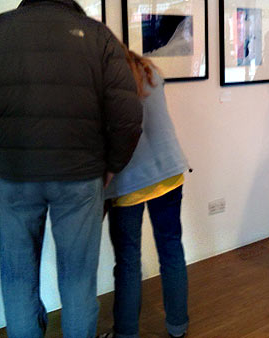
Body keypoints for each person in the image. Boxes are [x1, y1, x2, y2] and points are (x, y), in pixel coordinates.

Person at [0, 0, 143, 337]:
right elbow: (128, 114)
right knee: (78, 280)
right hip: (80, 179)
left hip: (17, 177)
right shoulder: (97, 36)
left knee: (16, 278)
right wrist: (111, 164)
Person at [99, 44, 189, 338]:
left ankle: (125, 333)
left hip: (129, 181)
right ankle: (178, 326)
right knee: (171, 249)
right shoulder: (150, 71)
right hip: (169, 172)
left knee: (127, 260)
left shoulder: (107, 81)